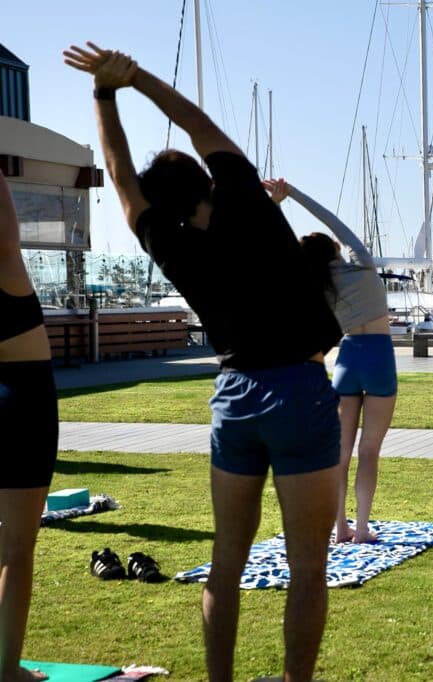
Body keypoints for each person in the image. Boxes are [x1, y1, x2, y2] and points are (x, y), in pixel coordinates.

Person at [64, 43, 343, 682]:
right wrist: (133, 79)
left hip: (236, 393)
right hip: (298, 388)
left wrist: (103, 96)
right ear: (205, 180)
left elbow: (119, 175)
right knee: (307, 566)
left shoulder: (166, 241)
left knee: (225, 561)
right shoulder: (248, 200)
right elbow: (198, 123)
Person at [263, 178, 396, 545]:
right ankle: (362, 528)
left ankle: (340, 528)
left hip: (347, 359)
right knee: (370, 450)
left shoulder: (316, 285)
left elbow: (277, 248)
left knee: (341, 452)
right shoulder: (363, 267)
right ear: (335, 250)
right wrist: (294, 194)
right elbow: (333, 220)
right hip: (380, 357)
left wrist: (274, 207)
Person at [0, 170, 57, 682]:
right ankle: (6, 669)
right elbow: (7, 229)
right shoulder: (6, 267)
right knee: (17, 548)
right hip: (21, 400)